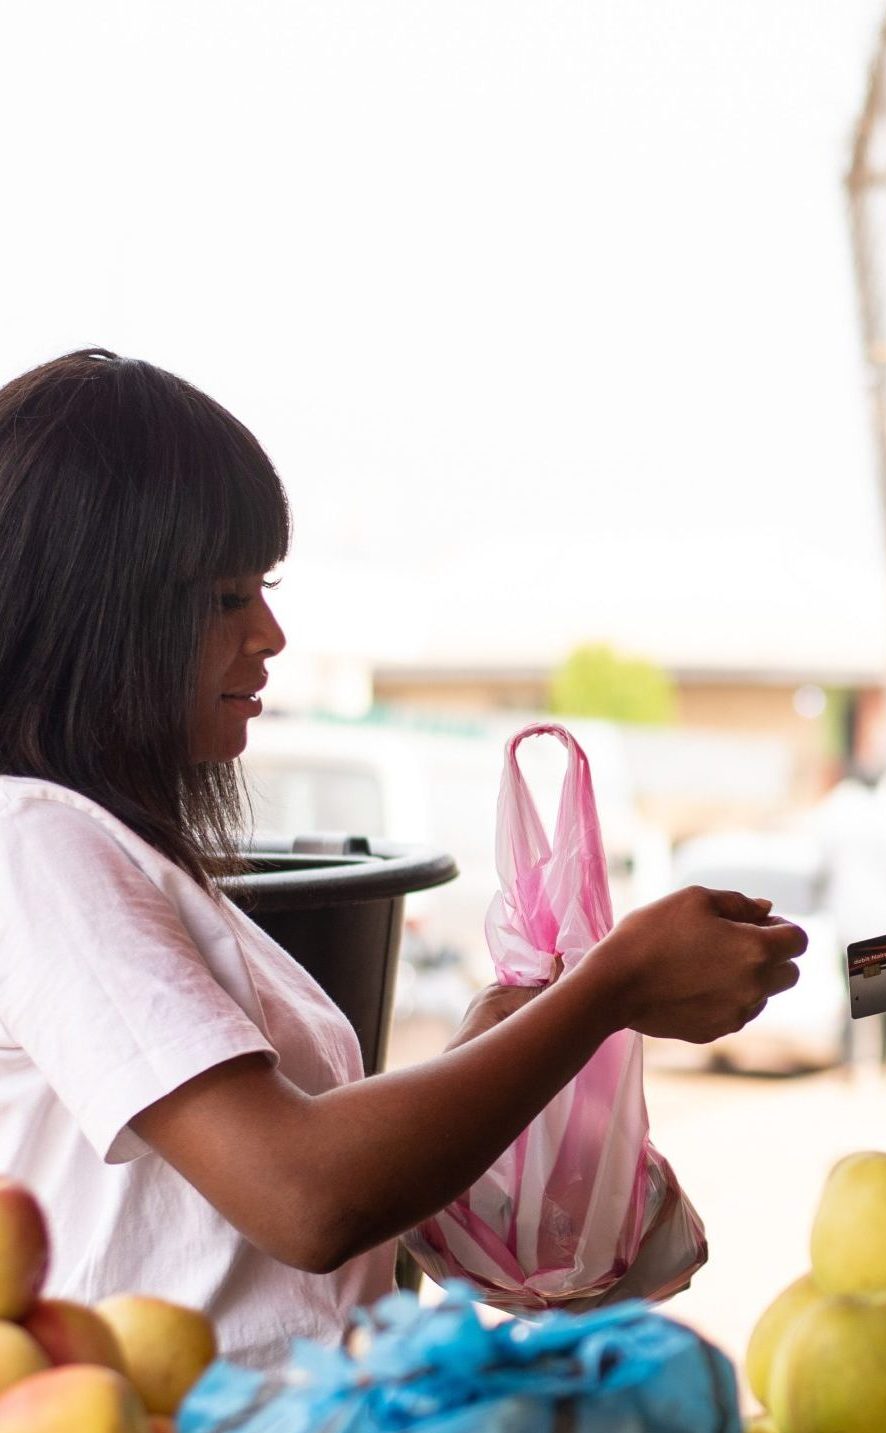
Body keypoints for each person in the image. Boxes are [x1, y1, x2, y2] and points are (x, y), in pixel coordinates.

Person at [0, 349, 807, 1368]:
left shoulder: (117, 851)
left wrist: (490, 1050)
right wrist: (603, 991)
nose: (271, 633)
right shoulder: (33, 845)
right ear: (93, 610)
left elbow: (309, 1253)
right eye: (223, 598)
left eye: (264, 587)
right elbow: (304, 1198)